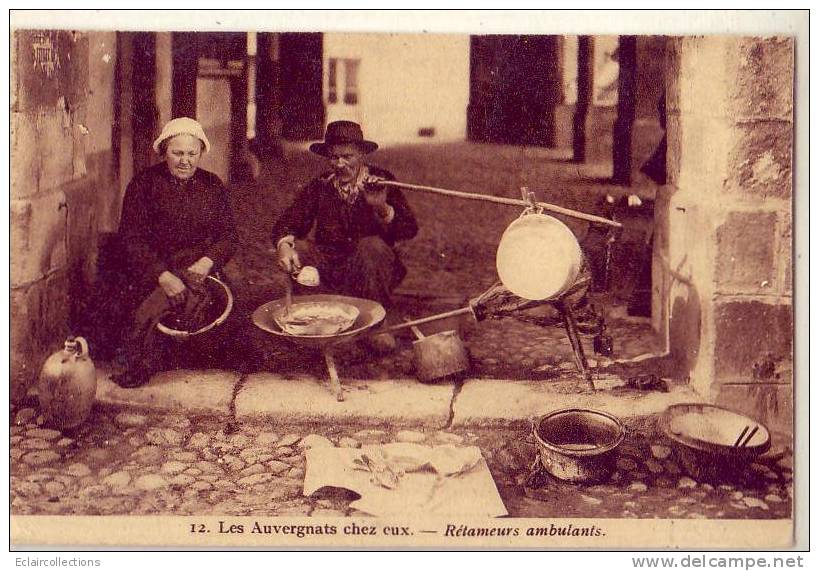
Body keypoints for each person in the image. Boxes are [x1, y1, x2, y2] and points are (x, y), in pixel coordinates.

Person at [111, 117, 238, 387]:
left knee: (228, 326)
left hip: (200, 272)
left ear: (201, 153)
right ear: (164, 151)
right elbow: (131, 239)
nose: (185, 161)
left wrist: (208, 261)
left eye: (192, 154)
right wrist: (162, 276)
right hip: (155, 271)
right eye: (177, 153)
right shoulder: (143, 185)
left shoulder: (212, 185)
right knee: (143, 317)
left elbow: (229, 236)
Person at [271, 121, 418, 351]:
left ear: (361, 154)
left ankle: (376, 324)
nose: (339, 164)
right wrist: (284, 245)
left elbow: (409, 229)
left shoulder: (381, 181)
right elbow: (288, 222)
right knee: (299, 248)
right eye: (333, 157)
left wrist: (382, 208)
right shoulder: (320, 186)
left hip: (370, 272)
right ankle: (313, 325)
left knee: (372, 246)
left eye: (347, 156)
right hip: (328, 270)